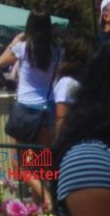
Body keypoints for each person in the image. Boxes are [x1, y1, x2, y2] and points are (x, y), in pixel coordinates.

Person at [0, 12, 61, 208]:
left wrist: (15, 41)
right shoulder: (57, 51)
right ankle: (39, 209)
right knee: (40, 167)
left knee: (20, 165)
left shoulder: (23, 48)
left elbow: (0, 62)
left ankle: (47, 199)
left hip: (24, 110)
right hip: (47, 112)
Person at [52, 44, 110, 214]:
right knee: (23, 167)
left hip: (32, 125)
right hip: (32, 128)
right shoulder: (90, 159)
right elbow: (60, 117)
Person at [53, 33, 91, 134]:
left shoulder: (67, 83)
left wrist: (57, 147)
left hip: (71, 143)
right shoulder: (87, 80)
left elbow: (61, 120)